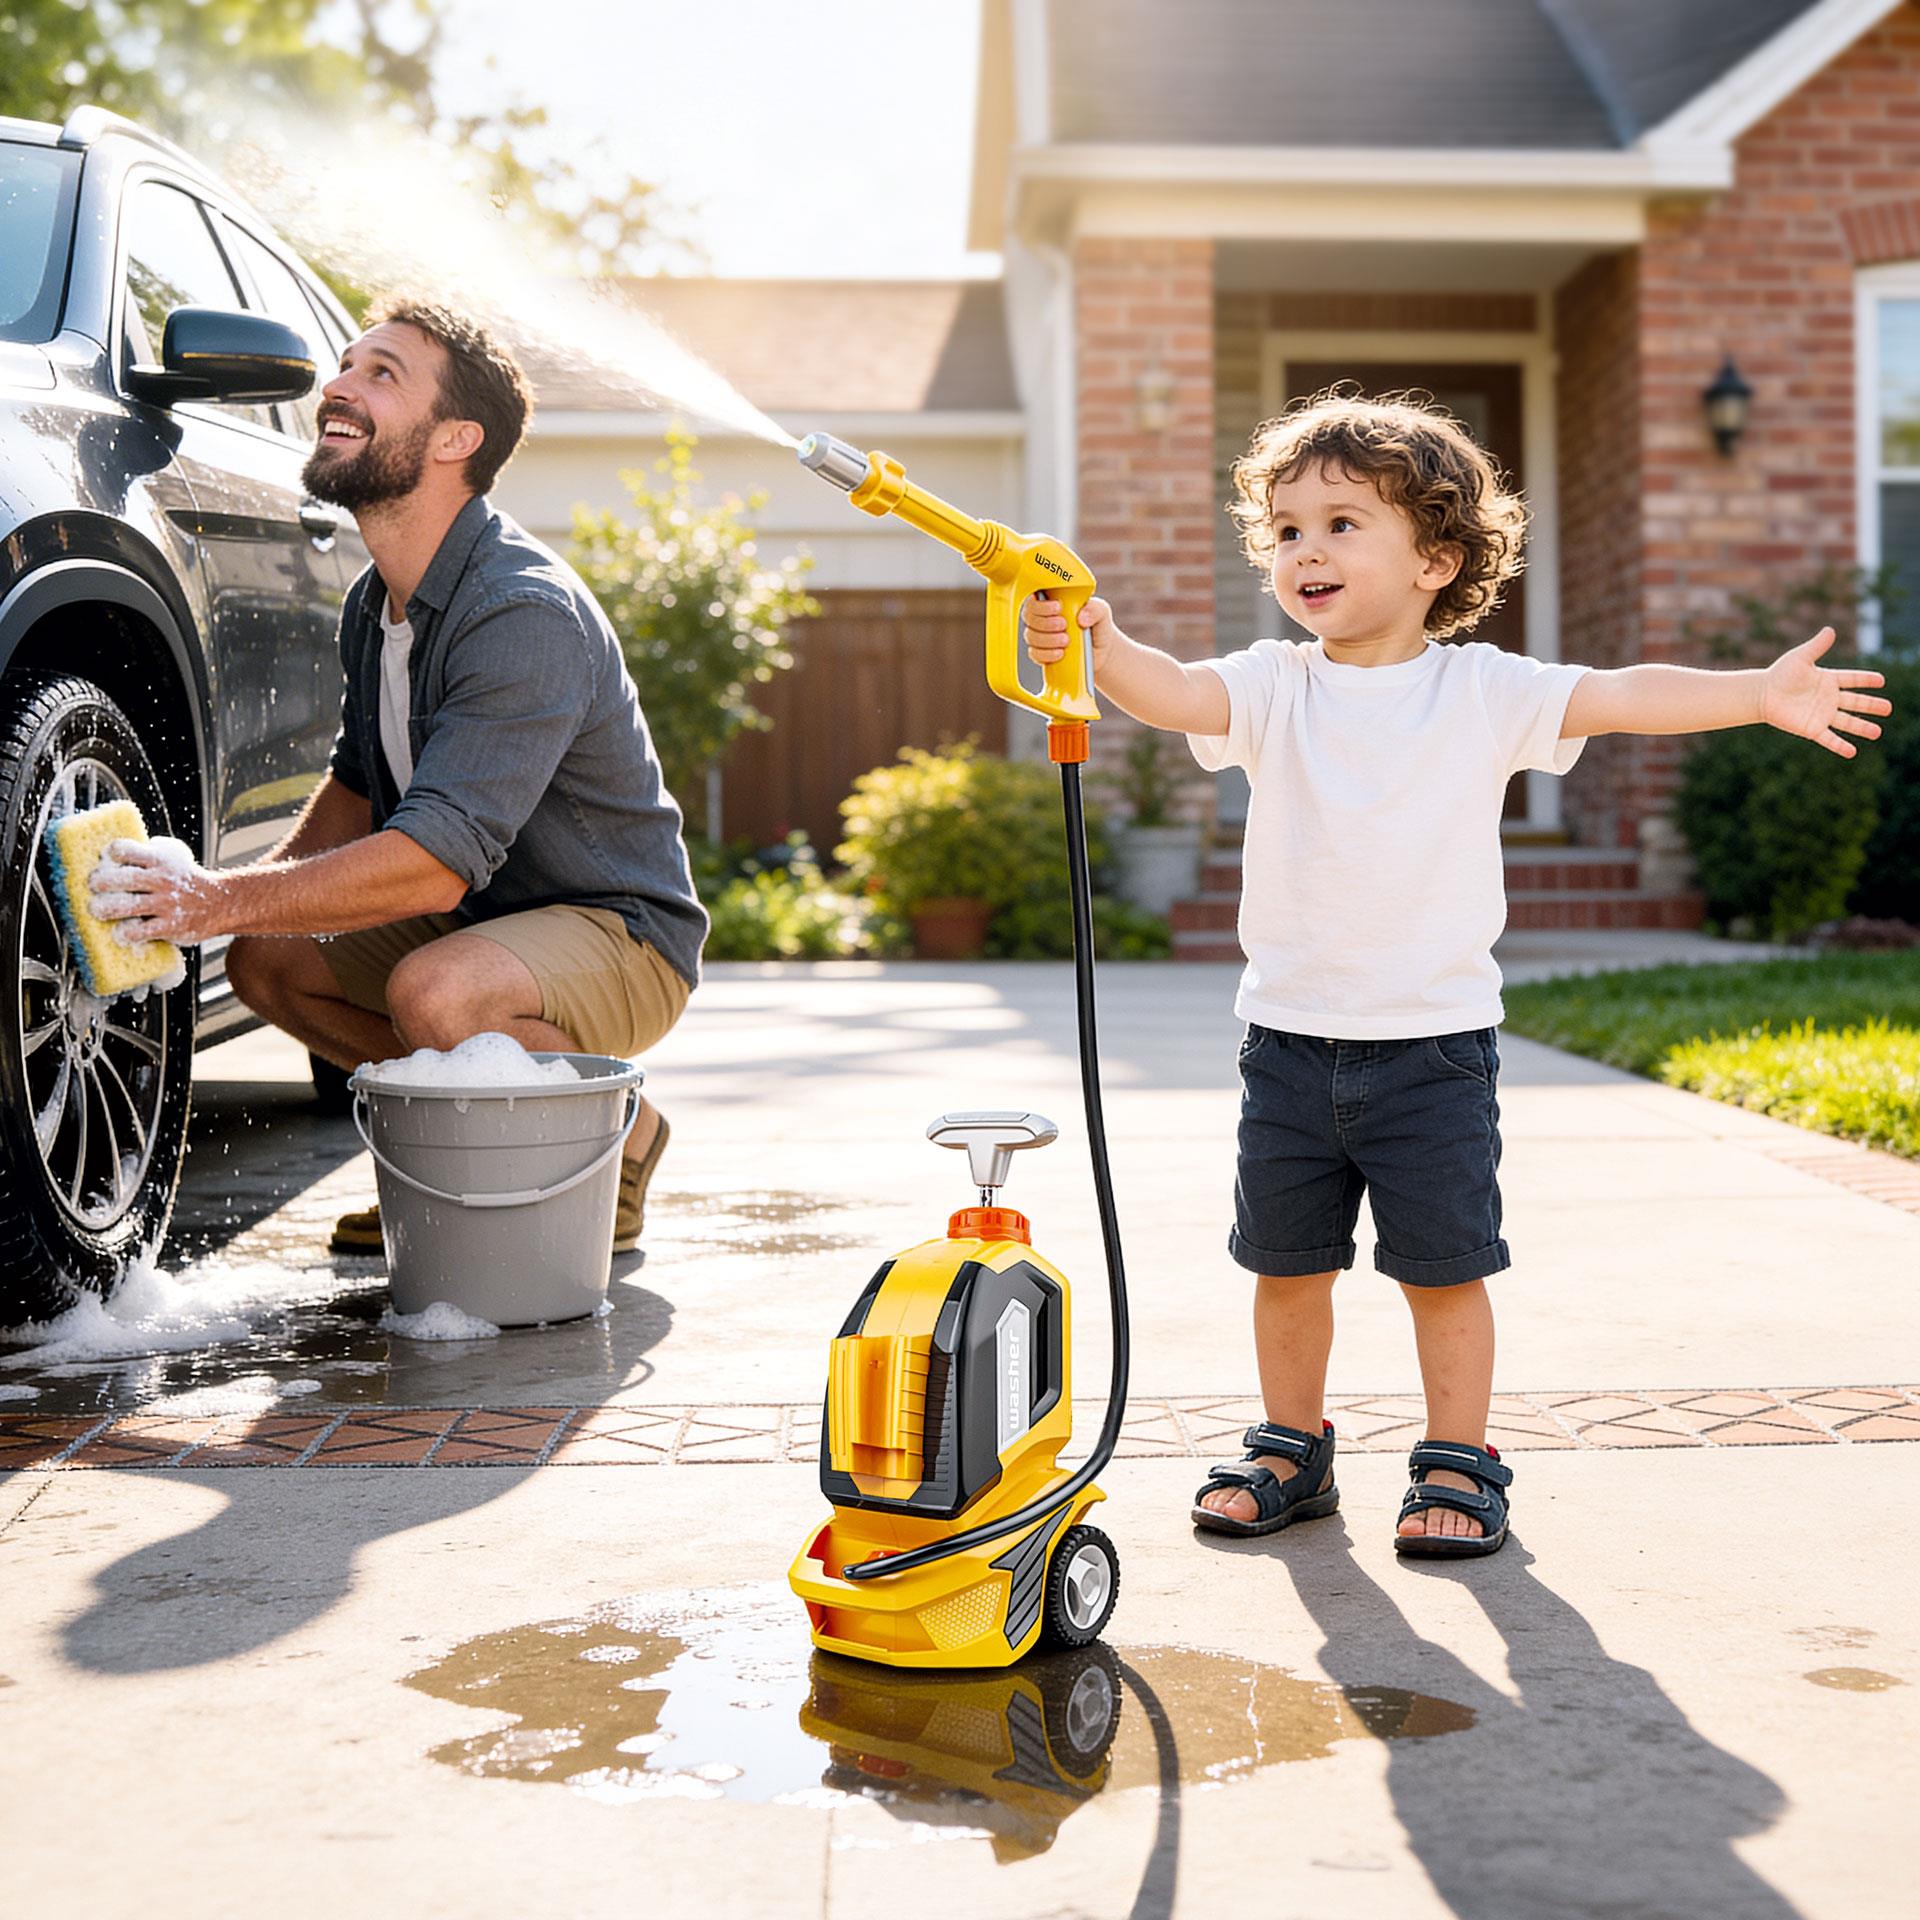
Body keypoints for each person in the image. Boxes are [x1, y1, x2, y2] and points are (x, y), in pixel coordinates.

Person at [1024, 390, 1890, 1557]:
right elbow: (1173, 690)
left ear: (1437, 556)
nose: (1305, 552)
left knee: (1443, 1271)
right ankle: (1291, 1444)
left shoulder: (1482, 691)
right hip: (1287, 1042)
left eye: (1340, 524)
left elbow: (1625, 694)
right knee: (1286, 1268)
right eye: (1285, 531)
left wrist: (1755, 695)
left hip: (1433, 1051)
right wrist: (1100, 645)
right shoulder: (1275, 684)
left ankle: (1458, 1459)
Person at [95, 298, 707, 1257]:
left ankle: (615, 1133)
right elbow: (353, 785)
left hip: (619, 930)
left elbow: (434, 868)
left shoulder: (520, 611)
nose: (338, 385)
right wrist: (236, 913)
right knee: (268, 963)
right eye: (345, 366)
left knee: (440, 995)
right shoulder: (373, 606)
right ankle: (469, 1143)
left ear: (457, 437)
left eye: (383, 373)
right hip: (485, 919)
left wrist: (211, 899)